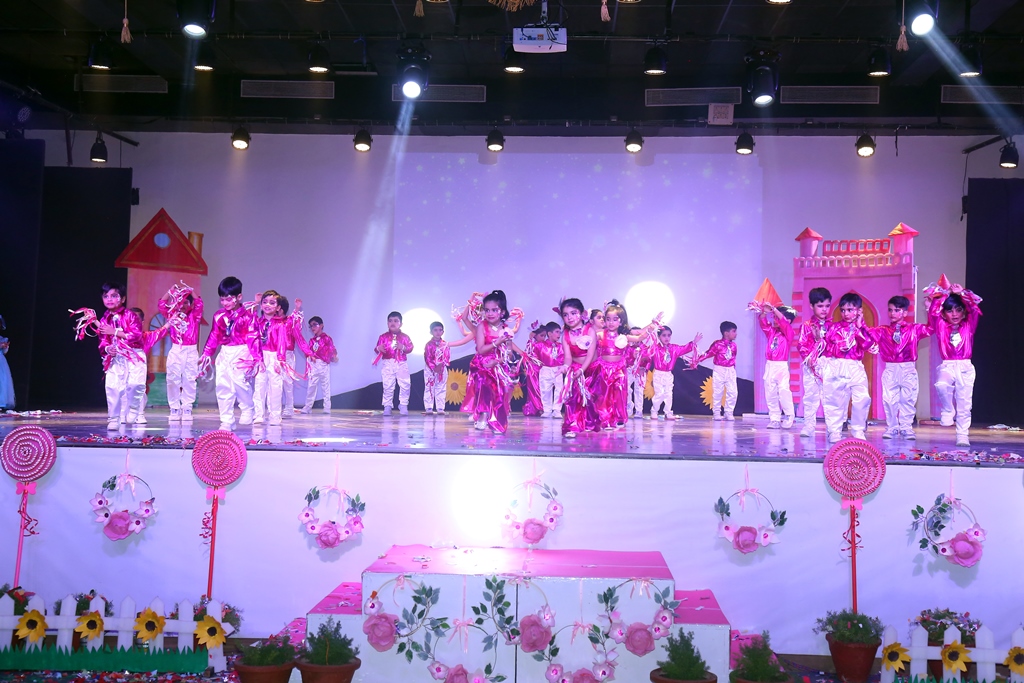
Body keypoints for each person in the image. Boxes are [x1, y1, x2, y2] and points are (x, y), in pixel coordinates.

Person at [868, 296, 932, 440]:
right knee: (889, 400)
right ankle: (891, 427)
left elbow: (931, 328)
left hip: (908, 368)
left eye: (897, 310)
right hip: (891, 368)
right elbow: (867, 334)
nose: (893, 313)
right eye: (890, 310)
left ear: (905, 312)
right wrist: (860, 323)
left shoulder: (914, 329)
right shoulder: (883, 330)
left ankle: (906, 428)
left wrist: (930, 309)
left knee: (908, 399)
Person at [198, 276, 259, 429]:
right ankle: (227, 420)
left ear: (239, 297)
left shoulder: (248, 316)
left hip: (243, 351)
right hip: (225, 351)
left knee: (239, 381)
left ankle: (247, 408)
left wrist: (257, 357)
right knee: (223, 385)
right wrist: (206, 353)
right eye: (222, 299)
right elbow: (214, 335)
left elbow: (253, 336)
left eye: (229, 299)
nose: (225, 303)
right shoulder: (219, 316)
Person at [928, 282, 982, 448]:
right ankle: (948, 409)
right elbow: (933, 312)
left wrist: (962, 293)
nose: (954, 314)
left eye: (958, 310)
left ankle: (962, 435)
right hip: (948, 365)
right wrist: (945, 294)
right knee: (941, 384)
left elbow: (974, 309)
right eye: (950, 310)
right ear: (944, 314)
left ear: (963, 311)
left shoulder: (968, 325)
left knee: (964, 403)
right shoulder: (941, 326)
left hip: (965, 367)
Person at [591, 301, 660, 430]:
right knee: (605, 394)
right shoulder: (601, 334)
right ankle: (605, 419)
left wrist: (650, 329)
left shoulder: (623, 336)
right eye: (608, 319)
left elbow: (639, 338)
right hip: (604, 369)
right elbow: (589, 338)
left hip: (619, 369)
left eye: (615, 319)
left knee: (619, 394)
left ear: (620, 321)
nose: (611, 322)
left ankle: (618, 418)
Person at [821, 292, 875, 442]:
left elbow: (868, 345)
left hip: (855, 366)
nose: (846, 313)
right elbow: (826, 347)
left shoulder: (863, 329)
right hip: (836, 364)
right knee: (835, 399)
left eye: (850, 310)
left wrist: (860, 327)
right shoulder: (834, 328)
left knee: (862, 398)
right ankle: (834, 431)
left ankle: (858, 430)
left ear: (859, 310)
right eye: (843, 310)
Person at [95, 282, 145, 430]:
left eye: (114, 296)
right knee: (113, 387)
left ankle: (134, 407)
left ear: (122, 299)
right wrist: (108, 348)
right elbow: (102, 341)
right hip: (116, 357)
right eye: (106, 296)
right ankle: (113, 418)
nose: (109, 299)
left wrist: (115, 332)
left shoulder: (131, 315)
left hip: (134, 355)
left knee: (135, 384)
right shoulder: (104, 319)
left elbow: (136, 335)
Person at [467, 290, 517, 432]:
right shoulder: (482, 326)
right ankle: (483, 414)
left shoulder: (506, 330)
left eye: (494, 310)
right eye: (487, 310)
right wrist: (496, 343)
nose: (490, 313)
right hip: (483, 363)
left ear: (502, 312)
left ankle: (496, 419)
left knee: (500, 389)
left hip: (499, 363)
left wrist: (498, 361)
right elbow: (481, 349)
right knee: (484, 381)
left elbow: (509, 353)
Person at [159, 284, 203, 422]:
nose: (182, 305)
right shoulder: (172, 314)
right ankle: (174, 408)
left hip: (191, 350)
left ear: (190, 304)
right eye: (180, 302)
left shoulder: (194, 315)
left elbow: (199, 303)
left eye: (185, 302)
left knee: (190, 379)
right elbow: (161, 304)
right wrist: (170, 291)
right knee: (172, 379)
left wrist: (191, 290)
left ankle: (187, 408)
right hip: (176, 349)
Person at [796, 287, 832, 437]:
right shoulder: (807, 326)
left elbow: (834, 346)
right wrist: (810, 359)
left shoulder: (833, 326)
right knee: (810, 397)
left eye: (827, 306)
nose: (824, 309)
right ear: (811, 306)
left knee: (830, 398)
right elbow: (801, 345)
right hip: (811, 365)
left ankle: (832, 429)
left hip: (829, 365)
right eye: (820, 306)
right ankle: (809, 426)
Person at [559, 297, 597, 438]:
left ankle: (589, 422)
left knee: (590, 398)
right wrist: (565, 366)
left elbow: (590, 355)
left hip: (591, 368)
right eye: (565, 314)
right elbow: (568, 357)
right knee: (573, 397)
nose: (569, 317)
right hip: (575, 368)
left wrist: (582, 370)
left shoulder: (589, 330)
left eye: (573, 313)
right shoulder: (565, 335)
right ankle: (572, 425)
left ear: (581, 313)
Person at [755, 303, 796, 428]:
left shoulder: (789, 333)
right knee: (770, 393)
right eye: (774, 317)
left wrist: (774, 309)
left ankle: (789, 416)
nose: (775, 319)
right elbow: (763, 322)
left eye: (777, 317)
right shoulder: (772, 332)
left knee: (783, 391)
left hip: (781, 367)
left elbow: (784, 323)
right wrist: (764, 311)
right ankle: (774, 419)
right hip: (770, 366)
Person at [649, 325, 702, 420]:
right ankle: (654, 411)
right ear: (659, 336)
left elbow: (684, 348)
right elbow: (646, 354)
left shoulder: (673, 348)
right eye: (664, 335)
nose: (667, 338)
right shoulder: (655, 348)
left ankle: (668, 412)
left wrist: (694, 342)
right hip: (658, 374)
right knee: (659, 394)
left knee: (669, 394)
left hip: (668, 374)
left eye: (669, 335)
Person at [423, 320, 473, 415]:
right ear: (431, 332)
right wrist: (434, 367)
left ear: (443, 332)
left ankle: (440, 408)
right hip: (430, 370)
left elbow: (447, 356)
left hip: (442, 369)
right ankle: (429, 408)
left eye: (440, 330)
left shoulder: (445, 344)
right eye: (435, 330)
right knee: (429, 387)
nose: (438, 332)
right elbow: (427, 358)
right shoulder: (429, 344)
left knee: (441, 387)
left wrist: (441, 365)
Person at [695, 321, 738, 421]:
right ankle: (717, 413)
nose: (736, 334)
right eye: (733, 331)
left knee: (733, 392)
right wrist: (697, 360)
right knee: (718, 392)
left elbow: (733, 358)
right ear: (726, 333)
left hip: (730, 370)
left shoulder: (734, 345)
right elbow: (708, 354)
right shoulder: (717, 344)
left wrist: (732, 370)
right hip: (719, 369)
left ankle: (729, 412)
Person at [373, 311, 414, 416]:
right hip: (387, 363)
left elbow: (410, 348)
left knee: (405, 384)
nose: (393, 323)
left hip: (401, 362)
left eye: (396, 321)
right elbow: (377, 349)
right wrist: (378, 348)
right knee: (387, 385)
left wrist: (403, 347)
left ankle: (403, 404)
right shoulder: (383, 337)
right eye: (390, 321)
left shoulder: (405, 337)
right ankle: (387, 406)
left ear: (401, 324)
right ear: (387, 323)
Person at [301, 316, 338, 414]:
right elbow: (308, 352)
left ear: (321, 325)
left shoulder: (327, 338)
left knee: (325, 386)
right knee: (311, 387)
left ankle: (327, 407)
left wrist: (333, 357)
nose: (313, 328)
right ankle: (308, 407)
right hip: (313, 365)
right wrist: (310, 356)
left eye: (315, 325)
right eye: (311, 326)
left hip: (323, 365)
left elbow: (332, 350)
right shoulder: (311, 341)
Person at [535, 321, 565, 418]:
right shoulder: (540, 345)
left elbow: (563, 358)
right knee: (545, 390)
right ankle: (547, 410)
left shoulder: (560, 346)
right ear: (549, 333)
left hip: (557, 369)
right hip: (545, 369)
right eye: (557, 332)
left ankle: (557, 410)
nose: (559, 334)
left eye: (560, 332)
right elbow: (535, 358)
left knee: (559, 390)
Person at [625, 326, 653, 419]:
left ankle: (639, 410)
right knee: (626, 388)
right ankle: (629, 406)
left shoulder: (645, 348)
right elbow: (625, 359)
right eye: (633, 336)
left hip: (640, 371)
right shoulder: (627, 348)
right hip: (630, 370)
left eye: (638, 336)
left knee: (639, 390)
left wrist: (643, 368)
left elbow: (648, 360)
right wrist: (632, 357)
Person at [520, 324, 546, 417]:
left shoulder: (543, 345)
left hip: (542, 370)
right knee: (534, 389)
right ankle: (539, 408)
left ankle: (539, 407)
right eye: (541, 335)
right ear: (535, 335)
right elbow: (527, 356)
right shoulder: (531, 344)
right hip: (533, 370)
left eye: (545, 336)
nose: (543, 338)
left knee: (542, 389)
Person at [0, 315, 15, 410]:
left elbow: (4, 352)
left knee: (2, 381)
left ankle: (1, 402)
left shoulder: (2, 338)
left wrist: (5, 347)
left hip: (0, 361)